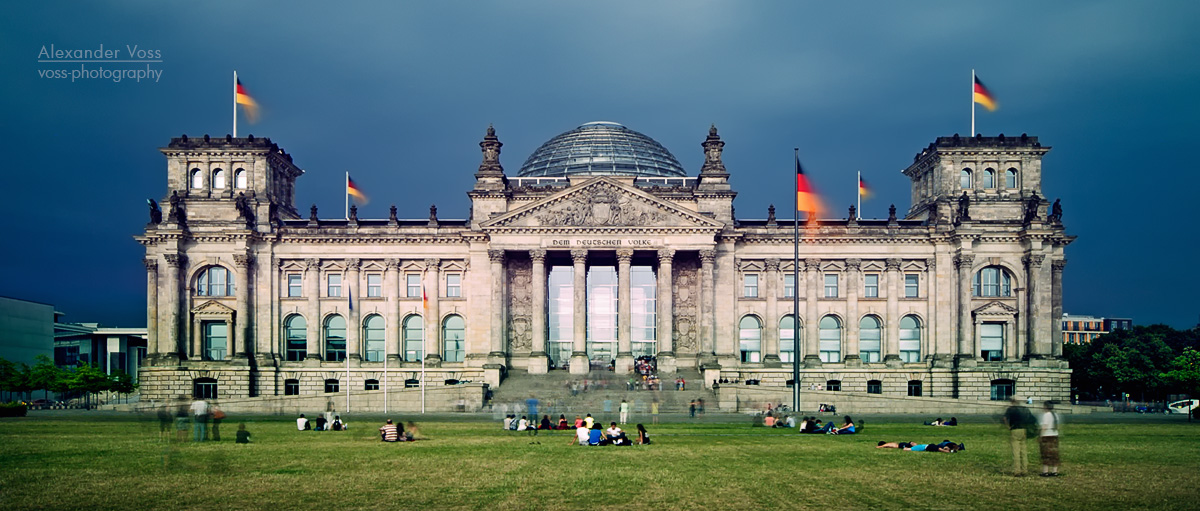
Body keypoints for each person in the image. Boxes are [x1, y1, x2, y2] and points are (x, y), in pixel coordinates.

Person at [1003, 397, 1034, 476]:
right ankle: (1025, 470)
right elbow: (1031, 418)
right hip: (1023, 430)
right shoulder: (1024, 408)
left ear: (1012, 402)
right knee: (1023, 451)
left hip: (1015, 429)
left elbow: (1005, 418)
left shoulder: (1011, 409)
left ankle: (1017, 471)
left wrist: (1008, 427)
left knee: (1016, 452)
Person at [1039, 401, 1060, 477]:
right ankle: (1054, 471)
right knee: (1054, 454)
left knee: (1046, 454)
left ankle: (1045, 471)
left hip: (1047, 436)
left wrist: (1040, 435)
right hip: (1054, 435)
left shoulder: (1046, 415)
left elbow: (1044, 426)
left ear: (1045, 407)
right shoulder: (1055, 415)